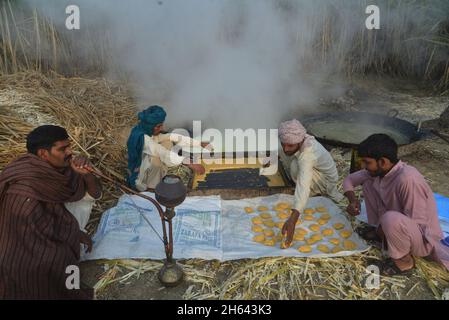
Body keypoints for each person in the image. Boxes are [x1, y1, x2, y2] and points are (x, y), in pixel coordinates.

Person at [0, 125, 102, 299]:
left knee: (65, 257)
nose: (70, 152)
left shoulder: (64, 170)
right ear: (43, 154)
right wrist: (72, 233)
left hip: (59, 229)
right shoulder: (23, 188)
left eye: (69, 146)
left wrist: (87, 174)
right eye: (63, 149)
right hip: (26, 242)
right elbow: (29, 232)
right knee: (54, 261)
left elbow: (94, 194)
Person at [343, 134, 449, 275]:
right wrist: (352, 200)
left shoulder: (408, 179)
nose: (364, 166)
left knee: (390, 218)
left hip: (422, 241)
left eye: (367, 162)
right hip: (398, 225)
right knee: (368, 183)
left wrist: (392, 232)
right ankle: (381, 231)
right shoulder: (377, 172)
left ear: (383, 161)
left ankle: (405, 261)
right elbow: (349, 180)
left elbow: (419, 223)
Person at [278, 119, 343, 245]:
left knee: (295, 168)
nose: (286, 149)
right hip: (316, 171)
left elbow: (303, 184)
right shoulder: (299, 138)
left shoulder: (308, 154)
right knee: (293, 163)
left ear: (300, 141)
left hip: (325, 180)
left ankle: (316, 193)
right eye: (283, 144)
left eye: (290, 145)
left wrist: (293, 218)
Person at [127, 105, 208, 191]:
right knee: (156, 159)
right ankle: (152, 188)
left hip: (147, 167)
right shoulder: (142, 138)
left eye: (161, 125)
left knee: (167, 142)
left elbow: (172, 136)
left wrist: (199, 143)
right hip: (138, 178)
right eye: (158, 126)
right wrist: (190, 163)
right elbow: (162, 153)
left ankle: (159, 177)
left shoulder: (147, 130)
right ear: (150, 126)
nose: (161, 128)